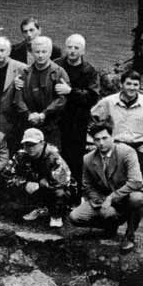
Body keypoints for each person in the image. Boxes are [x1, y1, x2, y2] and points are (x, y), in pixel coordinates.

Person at [69, 122, 143, 252]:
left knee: (138, 199)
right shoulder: (88, 159)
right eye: (97, 139)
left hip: (127, 195)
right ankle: (110, 226)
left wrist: (112, 198)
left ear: (112, 137)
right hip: (104, 198)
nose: (101, 143)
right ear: (93, 141)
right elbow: (87, 186)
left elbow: (135, 181)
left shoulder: (127, 152)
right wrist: (101, 203)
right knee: (75, 217)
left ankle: (130, 236)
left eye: (105, 138)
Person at [91, 70, 143, 189]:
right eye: (128, 84)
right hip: (116, 148)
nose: (132, 88)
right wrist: (101, 139)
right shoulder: (108, 102)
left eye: (135, 84)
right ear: (121, 84)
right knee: (113, 185)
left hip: (139, 149)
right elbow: (93, 118)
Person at [54, 34, 99, 194]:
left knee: (75, 159)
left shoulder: (89, 70)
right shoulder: (56, 65)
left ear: (83, 51)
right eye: (69, 47)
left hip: (77, 121)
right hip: (57, 119)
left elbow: (92, 96)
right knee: (56, 156)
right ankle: (55, 193)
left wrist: (71, 91)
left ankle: (75, 193)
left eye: (76, 48)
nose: (72, 51)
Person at [2, 128, 72, 228]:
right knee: (10, 207)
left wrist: (42, 183)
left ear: (42, 143)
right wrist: (24, 183)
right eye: (27, 145)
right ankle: (38, 208)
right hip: (32, 187)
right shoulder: (20, 155)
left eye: (33, 145)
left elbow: (64, 182)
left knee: (61, 192)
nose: (30, 148)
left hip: (52, 187)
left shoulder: (53, 157)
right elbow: (6, 175)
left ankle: (56, 214)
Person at [15, 36, 70, 149]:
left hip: (51, 126)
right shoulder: (24, 72)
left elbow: (62, 99)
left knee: (51, 155)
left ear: (50, 53)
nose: (40, 55)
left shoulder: (59, 72)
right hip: (29, 124)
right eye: (37, 52)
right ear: (32, 53)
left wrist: (44, 114)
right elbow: (18, 99)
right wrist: (28, 114)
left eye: (44, 52)